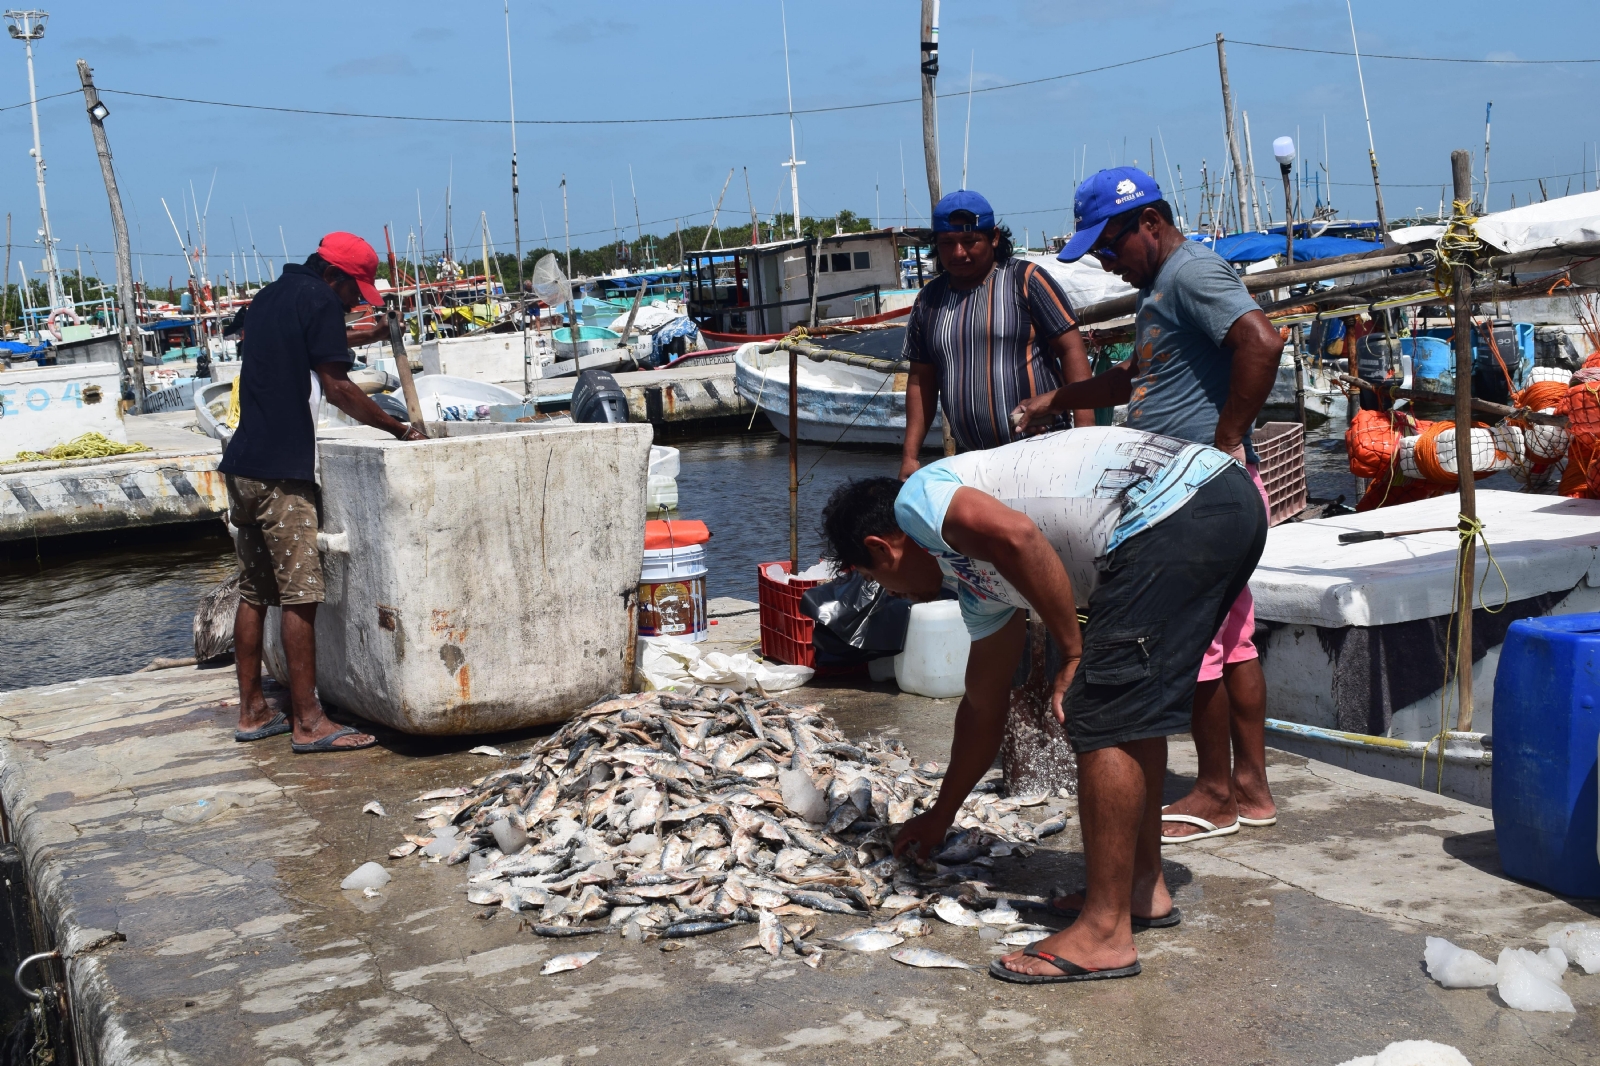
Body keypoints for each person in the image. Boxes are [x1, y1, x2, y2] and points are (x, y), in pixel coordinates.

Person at [819, 427, 1266, 983]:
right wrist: (941, 816)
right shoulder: (978, 582)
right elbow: (984, 706)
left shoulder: (917, 500)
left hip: (1174, 508)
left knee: (1099, 708)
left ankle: (1103, 935)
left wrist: (1073, 653)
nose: (896, 594)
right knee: (1130, 711)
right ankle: (1139, 888)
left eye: (874, 578)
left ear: (880, 549)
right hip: (1215, 504)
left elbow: (1021, 538)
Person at [1013, 167, 1282, 845]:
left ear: (1150, 224)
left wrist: (1223, 444)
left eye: (1109, 245)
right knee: (1235, 642)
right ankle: (1250, 789)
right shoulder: (1163, 289)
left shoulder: (1191, 273)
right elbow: (1133, 377)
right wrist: (1054, 400)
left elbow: (1262, 340)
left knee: (1201, 653)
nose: (1105, 261)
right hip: (1201, 492)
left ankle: (1216, 792)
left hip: (1197, 494)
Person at [220, 232, 427, 754]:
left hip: (243, 465)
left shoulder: (273, 294)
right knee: (301, 594)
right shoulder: (317, 298)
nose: (355, 300)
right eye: (353, 290)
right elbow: (337, 386)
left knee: (255, 591)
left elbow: (306, 348)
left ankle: (251, 712)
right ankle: (309, 722)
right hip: (281, 473)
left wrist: (367, 336)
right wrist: (399, 429)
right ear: (332, 275)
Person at [899, 190, 1095, 480]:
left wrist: (1086, 436)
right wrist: (910, 456)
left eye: (969, 242)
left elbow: (1072, 351)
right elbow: (921, 381)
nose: (958, 253)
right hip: (974, 464)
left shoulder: (1026, 280)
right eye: (947, 244)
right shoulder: (929, 300)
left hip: (1044, 452)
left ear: (992, 238)